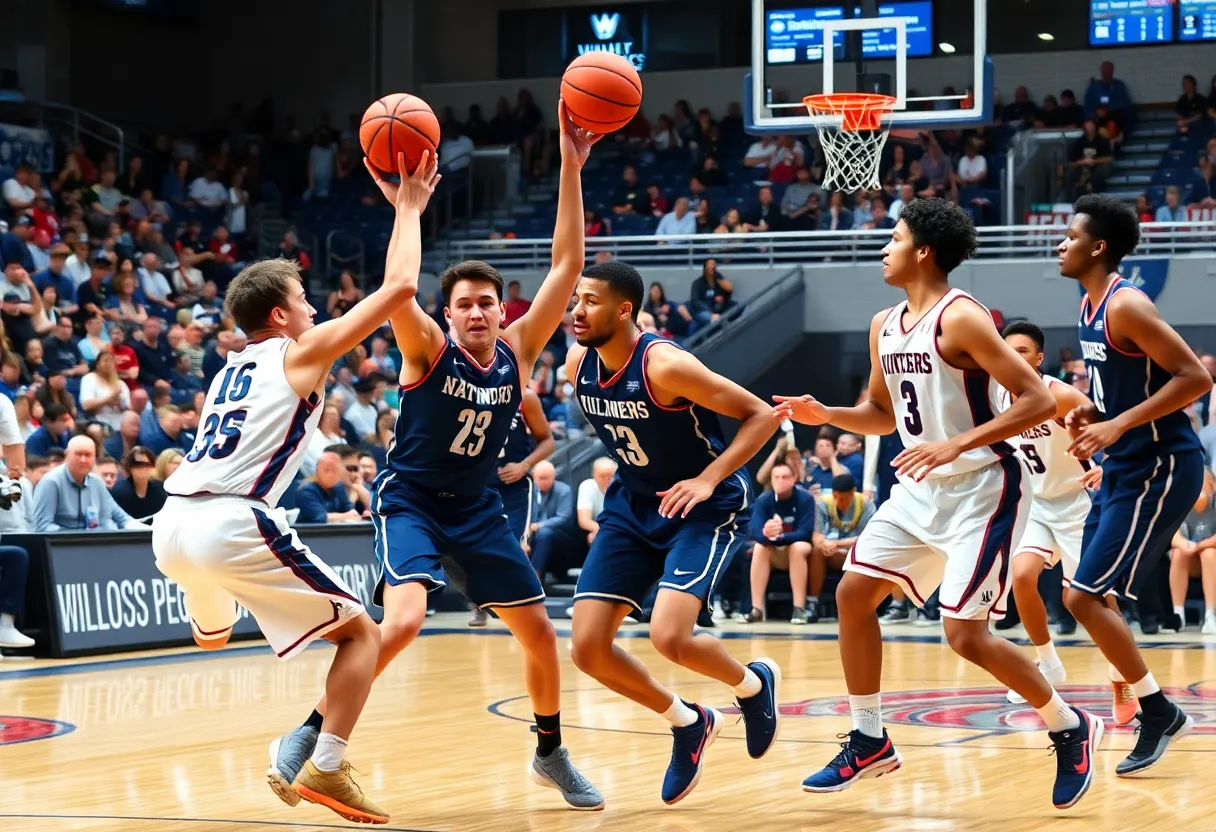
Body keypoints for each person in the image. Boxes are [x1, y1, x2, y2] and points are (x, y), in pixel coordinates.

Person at [278, 103, 603, 812]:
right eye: (466, 305)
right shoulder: (425, 347)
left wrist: (571, 166)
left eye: (489, 302)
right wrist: (409, 208)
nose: (481, 313)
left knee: (541, 633)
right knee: (402, 622)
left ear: (502, 309)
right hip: (413, 502)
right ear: (448, 314)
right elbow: (400, 289)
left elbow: (568, 264)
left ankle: (550, 750)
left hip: (479, 509)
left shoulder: (517, 354)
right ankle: (313, 734)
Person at [774, 198, 1101, 810]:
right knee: (851, 595)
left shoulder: (963, 318)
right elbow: (879, 414)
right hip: (920, 485)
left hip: (984, 487)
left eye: (893, 238)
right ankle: (869, 738)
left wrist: (955, 444)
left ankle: (1069, 725)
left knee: (964, 635)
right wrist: (826, 413)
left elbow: (1035, 400)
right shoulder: (883, 324)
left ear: (923, 251)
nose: (883, 248)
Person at [153, 150, 441, 825]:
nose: (312, 310)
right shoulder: (296, 351)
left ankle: (209, 607)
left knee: (215, 635)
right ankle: (329, 766)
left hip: (172, 525)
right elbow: (399, 288)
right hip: (230, 520)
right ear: (279, 319)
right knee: (364, 637)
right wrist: (408, 208)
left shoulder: (231, 368)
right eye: (303, 302)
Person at [563, 259, 780, 805]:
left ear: (624, 309)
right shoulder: (576, 363)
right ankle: (688, 723)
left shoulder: (664, 365)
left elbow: (760, 415)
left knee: (670, 636)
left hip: (704, 506)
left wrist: (708, 479)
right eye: (575, 300)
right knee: (587, 649)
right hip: (633, 506)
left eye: (590, 301)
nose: (577, 311)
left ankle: (753, 685)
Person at [1061, 193, 1212, 775]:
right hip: (1125, 464)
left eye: (1070, 236)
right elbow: (1121, 391)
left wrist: (1119, 423)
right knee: (1089, 596)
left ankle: (1157, 710)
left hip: (1162, 465)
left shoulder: (1126, 305)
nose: (1060, 243)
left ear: (1098, 247)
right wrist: (1094, 418)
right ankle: (1153, 707)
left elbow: (1194, 377)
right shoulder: (1087, 305)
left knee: (1082, 596)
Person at [993, 321, 1136, 723]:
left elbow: (1116, 423)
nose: (1011, 357)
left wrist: (1108, 466)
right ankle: (1048, 662)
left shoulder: (1058, 394)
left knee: (1099, 602)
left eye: (1021, 351)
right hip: (1036, 504)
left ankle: (1121, 678)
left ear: (1039, 358)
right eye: (1006, 350)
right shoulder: (998, 395)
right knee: (1022, 576)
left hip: (1076, 503)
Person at [471, 386, 555, 627]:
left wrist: (525, 465)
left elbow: (548, 441)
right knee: (474, 546)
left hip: (514, 489)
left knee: (512, 547)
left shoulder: (525, 397)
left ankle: (527, 605)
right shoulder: (467, 391)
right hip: (477, 486)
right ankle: (480, 603)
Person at [744, 460, 817, 624]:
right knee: (759, 548)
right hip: (776, 552)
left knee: (798, 547)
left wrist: (780, 537)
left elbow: (805, 532)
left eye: (784, 477)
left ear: (794, 479)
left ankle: (799, 609)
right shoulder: (764, 500)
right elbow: (755, 532)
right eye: (775, 477)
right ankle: (756, 609)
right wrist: (766, 533)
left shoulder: (805, 498)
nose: (779, 481)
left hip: (799, 551)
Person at [808, 473, 875, 621]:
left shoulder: (865, 504)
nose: (838, 502)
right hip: (834, 553)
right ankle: (812, 603)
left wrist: (837, 544)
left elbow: (868, 539)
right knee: (817, 550)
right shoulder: (823, 503)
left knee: (868, 553)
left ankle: (865, 606)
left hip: (857, 552)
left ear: (852, 492)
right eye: (835, 497)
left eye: (843, 498)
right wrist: (823, 544)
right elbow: (816, 535)